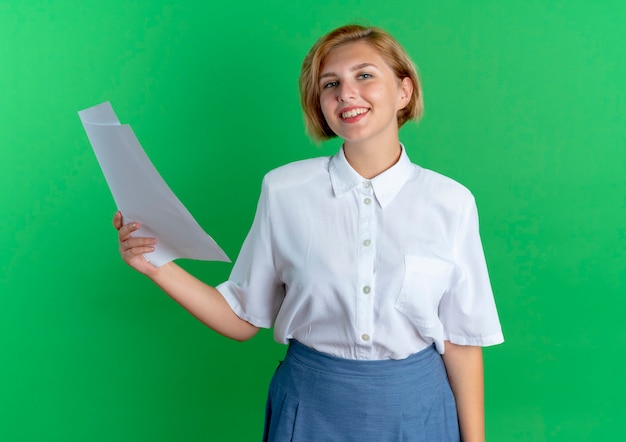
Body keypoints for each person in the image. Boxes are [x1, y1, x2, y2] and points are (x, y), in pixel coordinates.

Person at [113, 24, 503, 442]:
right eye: (330, 84)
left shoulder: (451, 201)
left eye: (364, 75)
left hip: (419, 411)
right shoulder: (283, 191)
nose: (346, 93)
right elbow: (243, 317)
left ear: (404, 91)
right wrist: (156, 266)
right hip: (310, 407)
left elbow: (462, 342)